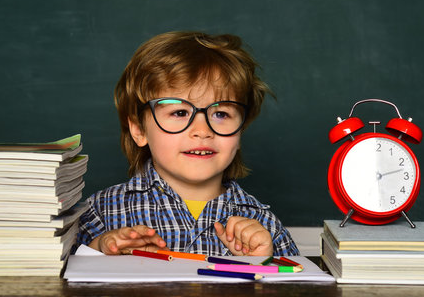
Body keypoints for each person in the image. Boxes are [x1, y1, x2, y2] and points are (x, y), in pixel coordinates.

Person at [76, 31, 299, 256]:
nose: (202, 131)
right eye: (180, 112)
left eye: (221, 114)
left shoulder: (264, 225)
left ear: (240, 130)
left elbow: (299, 285)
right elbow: (59, 280)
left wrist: (264, 264)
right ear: (139, 130)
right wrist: (98, 250)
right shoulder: (101, 213)